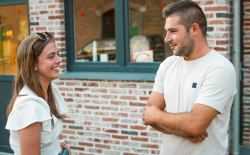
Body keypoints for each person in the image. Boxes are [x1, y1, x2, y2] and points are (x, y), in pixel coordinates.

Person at [143, 1, 237, 155]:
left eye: (173, 31)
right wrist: (185, 131)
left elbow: (194, 125)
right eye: (166, 31)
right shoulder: (168, 65)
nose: (166, 38)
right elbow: (148, 116)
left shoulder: (219, 68)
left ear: (194, 29)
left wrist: (158, 116)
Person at [5, 32, 69, 155]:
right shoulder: (29, 107)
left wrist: (57, 147)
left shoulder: (51, 90)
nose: (59, 60)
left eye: (58, 54)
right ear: (33, 64)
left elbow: (45, 139)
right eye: (51, 56)